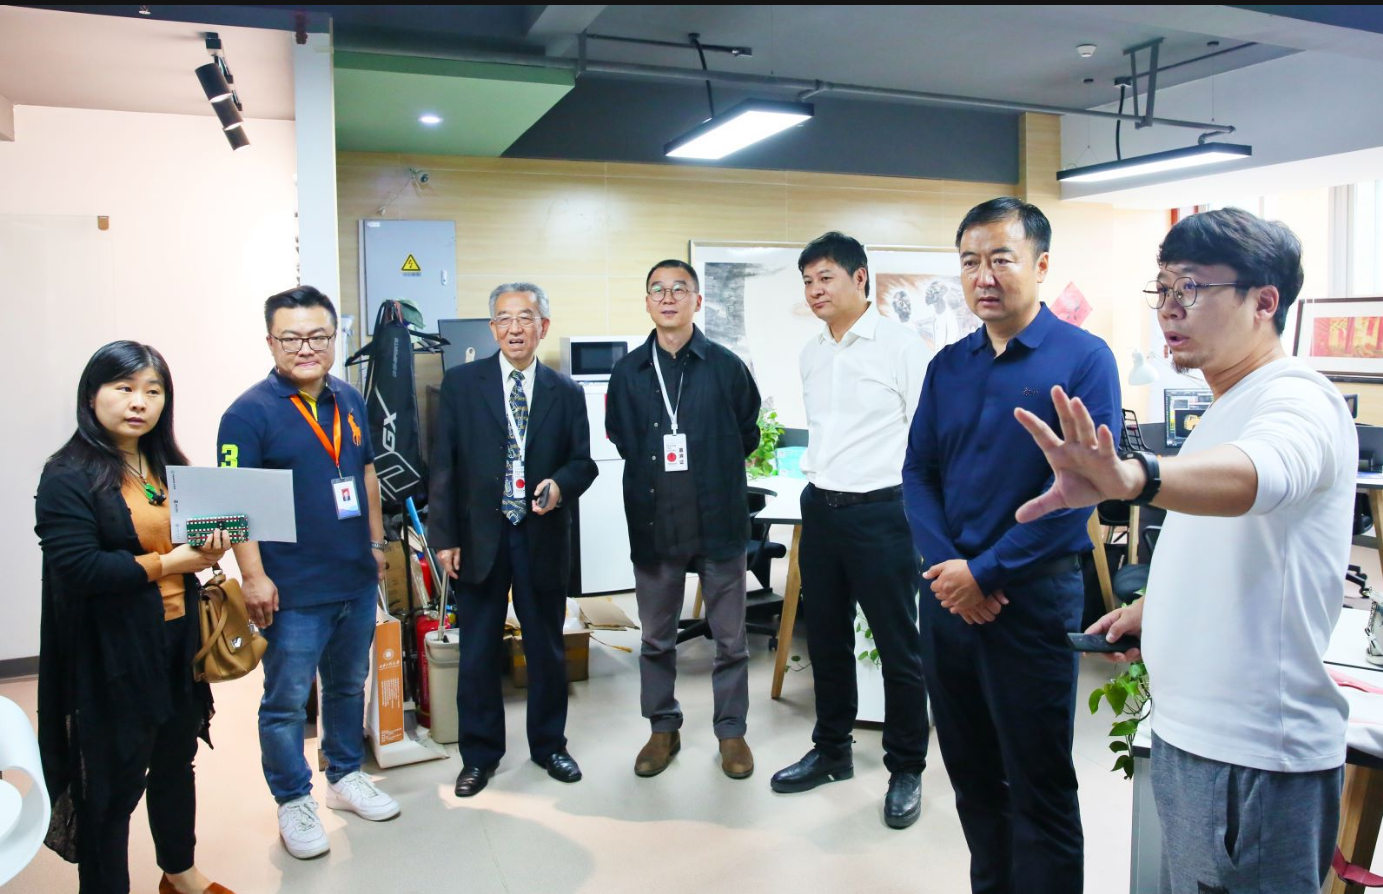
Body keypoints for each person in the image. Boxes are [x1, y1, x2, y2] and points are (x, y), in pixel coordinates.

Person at [1015, 208, 1355, 894]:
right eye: (1164, 288)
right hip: (1195, 739)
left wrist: (1136, 476)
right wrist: (1156, 609)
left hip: (1253, 758)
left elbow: (1264, 473)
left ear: (1264, 302)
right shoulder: (1226, 404)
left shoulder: (1298, 399)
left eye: (1192, 288)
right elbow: (1233, 545)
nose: (1169, 308)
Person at [902, 197, 1120, 892]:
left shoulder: (1083, 359)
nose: (984, 276)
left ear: (1041, 265)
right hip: (948, 600)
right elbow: (918, 473)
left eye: (1001, 259)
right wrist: (950, 571)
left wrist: (985, 572)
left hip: (1029, 599)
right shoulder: (948, 365)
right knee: (971, 778)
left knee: (1038, 782)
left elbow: (1081, 492)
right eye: (970, 262)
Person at [35, 341, 234, 894]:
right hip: (111, 651)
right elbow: (80, 568)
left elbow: (195, 538)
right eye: (123, 388)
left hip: (177, 638)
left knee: (175, 757)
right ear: (91, 395)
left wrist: (214, 543)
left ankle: (180, 873)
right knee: (111, 782)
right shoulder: (67, 474)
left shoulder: (168, 465)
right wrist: (169, 562)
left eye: (153, 390)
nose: (139, 402)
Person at [217, 286, 399, 860]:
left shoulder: (349, 398)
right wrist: (252, 576)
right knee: (287, 702)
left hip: (353, 576)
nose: (306, 348)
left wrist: (375, 543)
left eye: (318, 336)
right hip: (290, 588)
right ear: (271, 341)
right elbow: (235, 502)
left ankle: (344, 776)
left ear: (333, 338)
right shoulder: (247, 414)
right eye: (291, 337)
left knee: (347, 686)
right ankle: (293, 799)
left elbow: (365, 474)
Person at [770, 232, 934, 830]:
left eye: (826, 278)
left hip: (883, 512)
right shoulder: (812, 352)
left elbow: (926, 441)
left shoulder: (902, 348)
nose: (814, 291)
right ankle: (832, 751)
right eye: (807, 282)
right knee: (826, 638)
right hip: (822, 507)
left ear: (860, 278)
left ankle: (906, 767)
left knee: (898, 644)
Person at [429, 282, 598, 797]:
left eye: (525, 318)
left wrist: (560, 485)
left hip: (541, 535)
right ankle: (479, 756)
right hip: (478, 537)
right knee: (478, 651)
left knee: (545, 648)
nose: (514, 328)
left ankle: (549, 746)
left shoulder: (566, 391)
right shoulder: (461, 384)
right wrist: (444, 538)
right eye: (504, 319)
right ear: (492, 328)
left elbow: (583, 463)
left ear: (543, 326)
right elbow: (443, 466)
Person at [606, 259, 762, 779]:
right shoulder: (628, 371)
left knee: (730, 639)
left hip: (719, 521)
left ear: (698, 300)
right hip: (655, 521)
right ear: (647, 302)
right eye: (658, 289)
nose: (668, 297)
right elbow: (621, 436)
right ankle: (662, 727)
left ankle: (731, 731)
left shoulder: (727, 367)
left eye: (680, 289)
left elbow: (747, 432)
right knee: (656, 638)